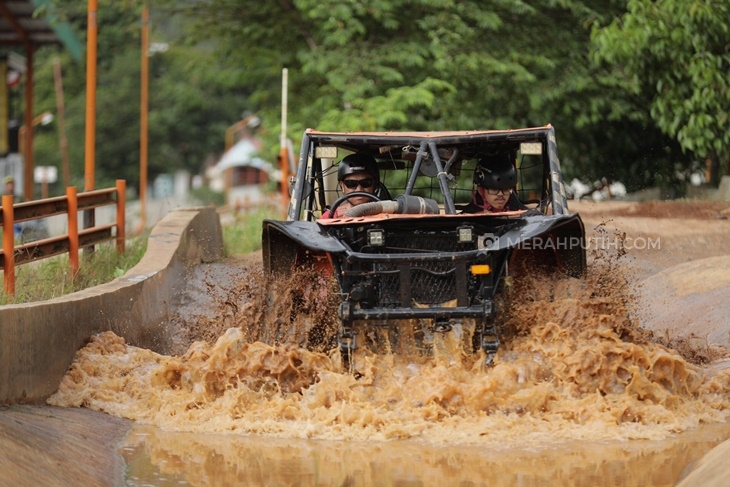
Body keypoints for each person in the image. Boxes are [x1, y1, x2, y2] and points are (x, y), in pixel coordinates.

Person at [461, 153, 539, 215]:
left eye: (505, 189)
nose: (500, 194)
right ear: (481, 190)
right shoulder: (465, 218)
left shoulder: (525, 215)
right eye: (494, 189)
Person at [321, 153, 384, 219]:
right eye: (351, 183)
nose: (359, 189)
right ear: (342, 186)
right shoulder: (330, 216)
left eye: (366, 183)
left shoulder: (387, 215)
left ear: (375, 184)